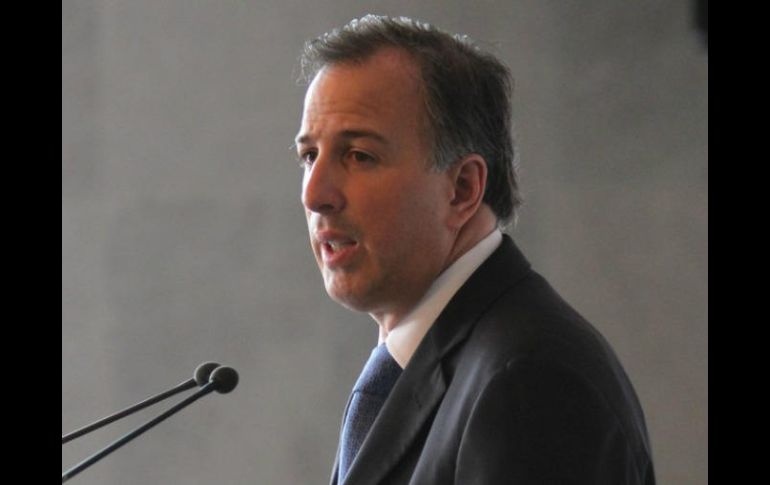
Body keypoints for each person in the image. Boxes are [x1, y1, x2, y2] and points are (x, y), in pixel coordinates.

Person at [295, 14, 655, 485]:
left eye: (359, 155)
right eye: (309, 156)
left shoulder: (529, 381)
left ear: (462, 188)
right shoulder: (438, 363)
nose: (314, 194)